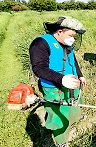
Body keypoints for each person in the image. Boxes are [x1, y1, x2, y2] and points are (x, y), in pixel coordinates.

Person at [29, 16, 86, 146]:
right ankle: (61, 142)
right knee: (59, 117)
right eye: (71, 35)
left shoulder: (67, 43)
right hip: (55, 88)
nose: (73, 39)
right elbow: (38, 68)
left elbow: (73, 60)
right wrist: (61, 79)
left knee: (76, 103)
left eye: (75, 36)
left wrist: (80, 75)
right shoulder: (40, 43)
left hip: (72, 83)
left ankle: (76, 117)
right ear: (60, 31)